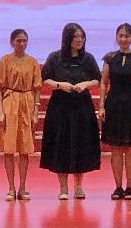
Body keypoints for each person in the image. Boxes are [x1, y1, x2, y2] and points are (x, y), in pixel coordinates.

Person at [40, 23, 101, 199]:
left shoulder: (88, 58)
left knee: (80, 144)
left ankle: (79, 186)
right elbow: (45, 79)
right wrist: (60, 85)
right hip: (60, 108)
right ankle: (63, 188)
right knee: (61, 145)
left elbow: (98, 80)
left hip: (82, 107)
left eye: (82, 36)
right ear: (67, 39)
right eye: (76, 36)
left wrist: (85, 84)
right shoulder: (55, 57)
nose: (80, 40)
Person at [99, 23, 131, 201]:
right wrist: (101, 106)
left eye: (127, 36)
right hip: (113, 105)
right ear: (116, 37)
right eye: (120, 35)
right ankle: (118, 187)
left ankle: (130, 187)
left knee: (130, 148)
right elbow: (104, 82)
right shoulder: (109, 57)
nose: (123, 39)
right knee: (115, 148)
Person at [0, 29, 41, 201]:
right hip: (10, 102)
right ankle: (10, 187)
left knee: (24, 149)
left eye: (24, 41)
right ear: (12, 42)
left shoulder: (33, 62)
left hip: (27, 103)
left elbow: (37, 89)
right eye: (18, 41)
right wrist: (0, 112)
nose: (22, 44)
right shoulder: (5, 61)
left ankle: (22, 187)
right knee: (8, 148)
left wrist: (35, 111)